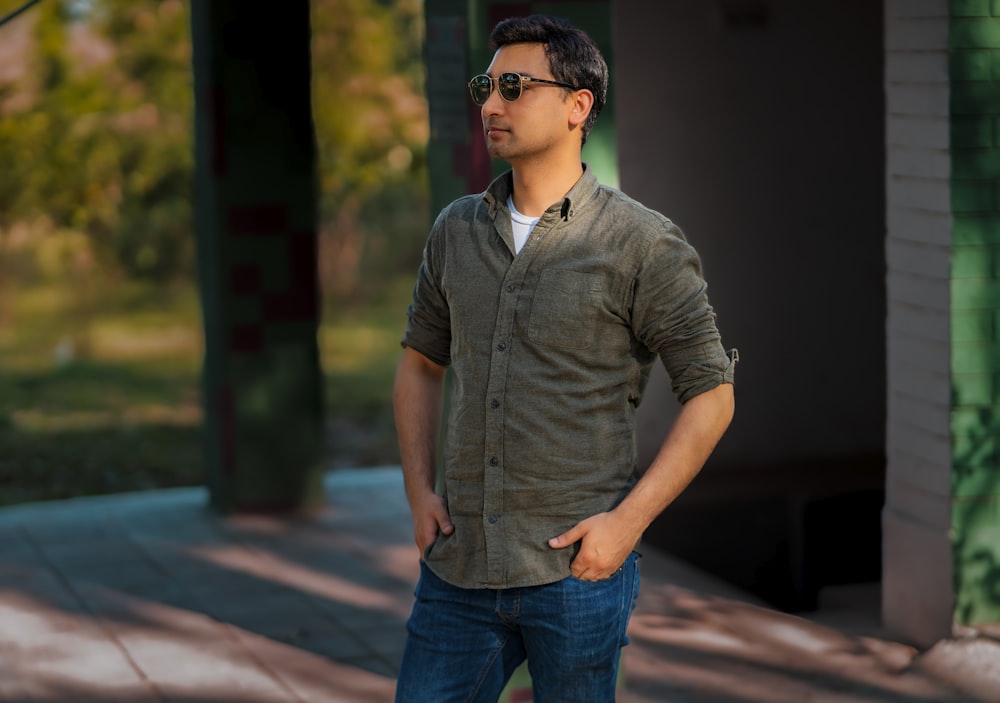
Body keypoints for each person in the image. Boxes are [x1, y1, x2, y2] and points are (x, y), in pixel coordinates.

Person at [392, 13, 736, 703]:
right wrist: (418, 489)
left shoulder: (641, 242)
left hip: (575, 575)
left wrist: (625, 524)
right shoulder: (456, 230)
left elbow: (712, 392)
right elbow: (421, 361)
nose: (491, 103)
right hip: (458, 571)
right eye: (486, 85)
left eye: (514, 86)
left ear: (578, 106)